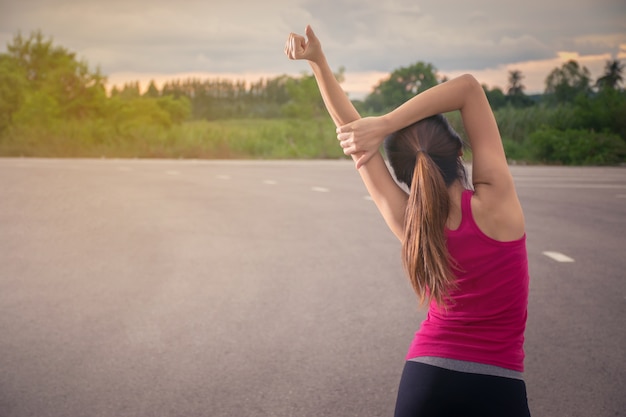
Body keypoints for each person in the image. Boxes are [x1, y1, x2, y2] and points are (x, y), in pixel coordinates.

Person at [285, 26, 532, 417]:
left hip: (426, 377)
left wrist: (318, 64)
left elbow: (352, 138)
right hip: (498, 383)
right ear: (459, 150)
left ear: (405, 175)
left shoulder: (413, 224)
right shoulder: (498, 201)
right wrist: (385, 123)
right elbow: (468, 88)